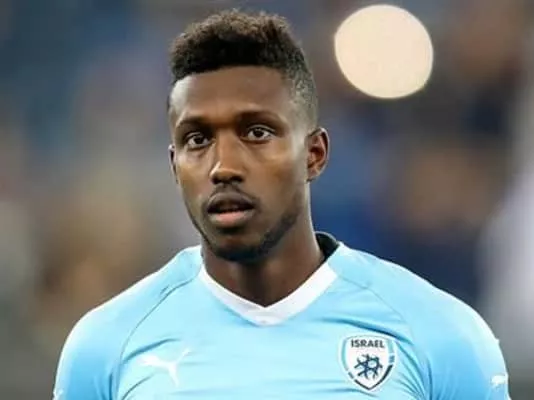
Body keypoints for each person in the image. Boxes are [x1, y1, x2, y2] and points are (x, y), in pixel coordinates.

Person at [53, 10, 510, 399]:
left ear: (314, 154)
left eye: (256, 132)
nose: (223, 166)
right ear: (175, 166)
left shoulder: (439, 336)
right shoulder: (106, 347)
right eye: (198, 139)